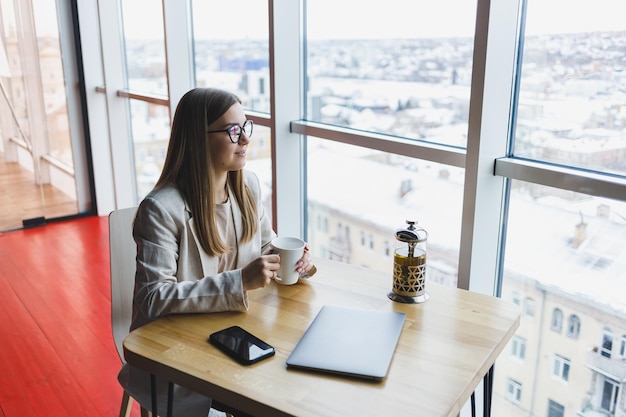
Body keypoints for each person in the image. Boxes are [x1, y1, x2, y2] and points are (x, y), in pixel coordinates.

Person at [117, 87, 316, 417]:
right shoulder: (161, 209)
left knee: (295, 387)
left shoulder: (247, 185)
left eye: (245, 127)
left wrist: (297, 262)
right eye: (232, 131)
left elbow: (267, 245)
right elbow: (153, 298)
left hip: (239, 334)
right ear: (199, 138)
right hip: (180, 351)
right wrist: (239, 282)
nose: (246, 140)